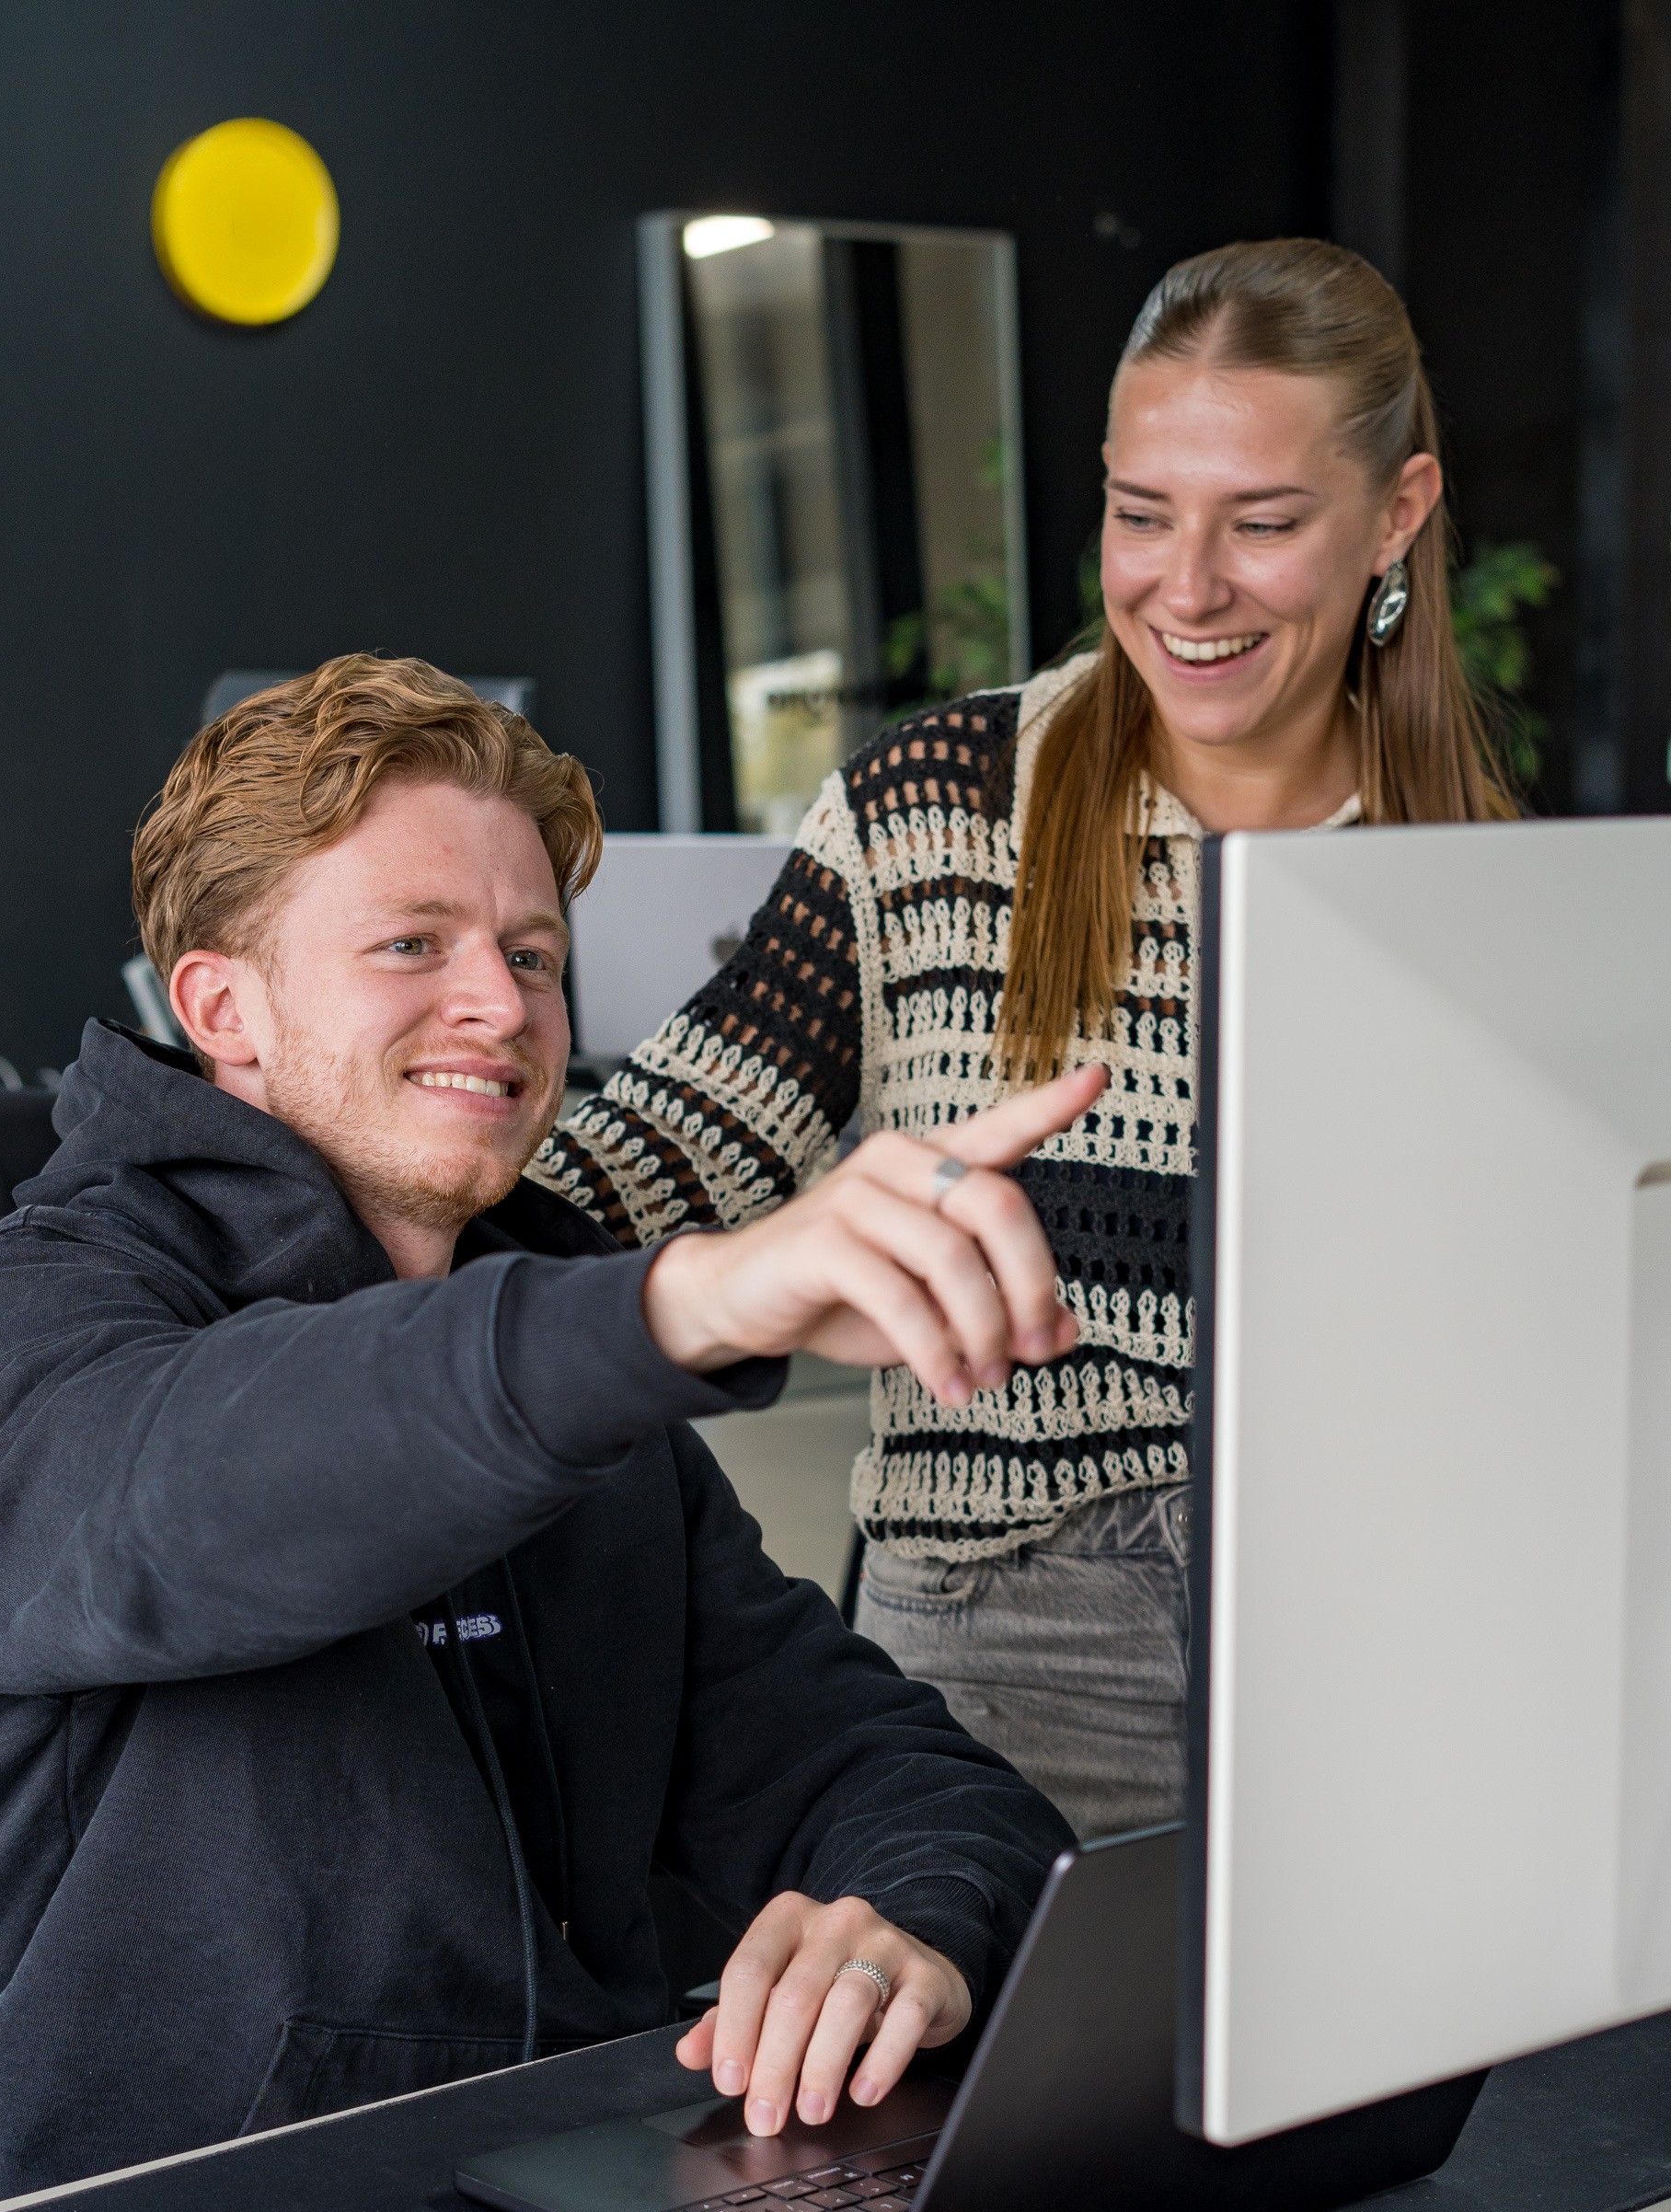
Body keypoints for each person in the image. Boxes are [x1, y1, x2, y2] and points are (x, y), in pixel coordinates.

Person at [0, 655, 1092, 2212]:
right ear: (221, 1007)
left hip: (561, 2205)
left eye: (532, 951)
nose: (503, 1008)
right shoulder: (24, 1324)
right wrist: (674, 1307)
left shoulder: (560, 1348)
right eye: (410, 946)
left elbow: (888, 1768)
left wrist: (911, 1925)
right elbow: (216, 1491)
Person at [536, 237, 1515, 1841]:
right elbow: (672, 1150)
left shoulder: (1480, 889)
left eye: (1261, 524)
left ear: (1397, 514)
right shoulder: (939, 810)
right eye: (1142, 514)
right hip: (1018, 1638)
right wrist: (360, 1201)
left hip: (1385, 1642)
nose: (1184, 588)